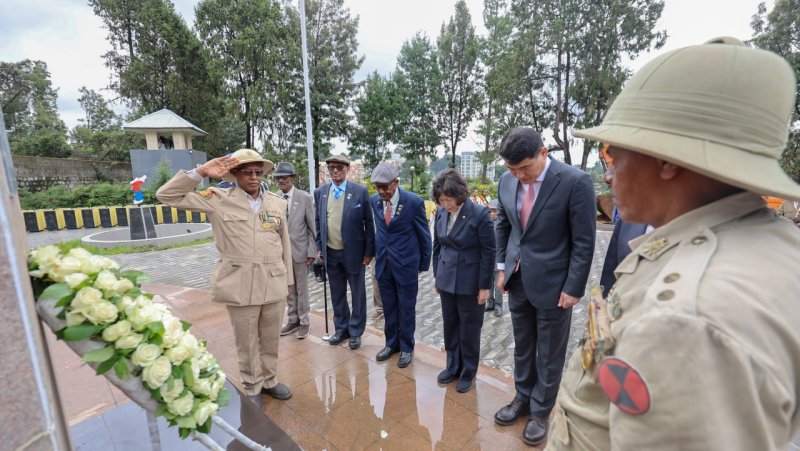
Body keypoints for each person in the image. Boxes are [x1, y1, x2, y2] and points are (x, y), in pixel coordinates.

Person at [548, 37, 800, 450]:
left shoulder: (681, 320)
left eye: (613, 153)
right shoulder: (771, 243)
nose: (608, 175)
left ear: (667, 161)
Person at [156, 149, 294, 407]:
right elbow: (166, 196)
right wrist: (199, 172)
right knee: (246, 340)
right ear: (234, 174)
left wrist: (288, 281)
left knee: (271, 336)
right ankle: (252, 384)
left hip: (273, 279)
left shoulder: (277, 203)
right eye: (247, 172)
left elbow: (284, 242)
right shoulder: (217, 198)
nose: (253, 177)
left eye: (257, 172)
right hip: (239, 281)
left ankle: (270, 381)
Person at [493, 127, 596, 446]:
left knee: (550, 352)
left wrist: (574, 287)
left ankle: (541, 410)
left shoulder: (574, 182)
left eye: (525, 168)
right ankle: (522, 397)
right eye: (512, 169)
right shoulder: (507, 179)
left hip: (555, 284)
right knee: (523, 345)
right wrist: (501, 267)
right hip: (517, 279)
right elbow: (504, 225)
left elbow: (583, 240)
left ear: (543, 153)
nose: (519, 175)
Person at [431, 169, 495, 392]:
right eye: (441, 200)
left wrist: (485, 286)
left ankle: (468, 370)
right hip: (447, 279)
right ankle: (452, 366)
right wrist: (437, 276)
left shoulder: (479, 214)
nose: (445, 204)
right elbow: (437, 246)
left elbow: (489, 251)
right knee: (451, 326)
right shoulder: (441, 213)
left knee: (469, 328)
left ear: (460, 194)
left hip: (470, 281)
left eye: (448, 199)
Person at [370, 163, 432, 367]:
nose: (381, 192)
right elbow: (378, 232)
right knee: (389, 307)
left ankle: (407, 347)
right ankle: (391, 344)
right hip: (384, 266)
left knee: (406, 308)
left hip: (406, 265)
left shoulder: (413, 202)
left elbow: (425, 235)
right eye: (377, 187)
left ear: (396, 182)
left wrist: (423, 264)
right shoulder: (375, 202)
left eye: (384, 187)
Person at [314, 154, 375, 350]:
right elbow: (318, 221)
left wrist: (369, 251)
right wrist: (319, 247)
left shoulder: (359, 191)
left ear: (347, 169)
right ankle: (341, 329)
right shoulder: (321, 191)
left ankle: (356, 331)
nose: (335, 171)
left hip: (355, 253)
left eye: (340, 167)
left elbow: (368, 223)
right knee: (337, 293)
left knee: (357, 293)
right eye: (332, 168)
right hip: (330, 253)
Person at [273, 162, 316, 339]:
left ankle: (304, 321)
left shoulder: (304, 197)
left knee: (302, 288)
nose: (281, 180)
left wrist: (312, 252)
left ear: (293, 178)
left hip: (301, 252)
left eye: (285, 177)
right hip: (281, 253)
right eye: (278, 177)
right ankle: (292, 320)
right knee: (289, 289)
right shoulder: (273, 198)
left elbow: (312, 228)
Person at [484, 199, 505, 317]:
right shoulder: (486, 222)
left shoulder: (502, 224)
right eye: (490, 211)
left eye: (494, 211)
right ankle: (490, 303)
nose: (492, 214)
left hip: (498, 258)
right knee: (488, 283)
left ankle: (498, 305)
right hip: (487, 259)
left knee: (498, 285)